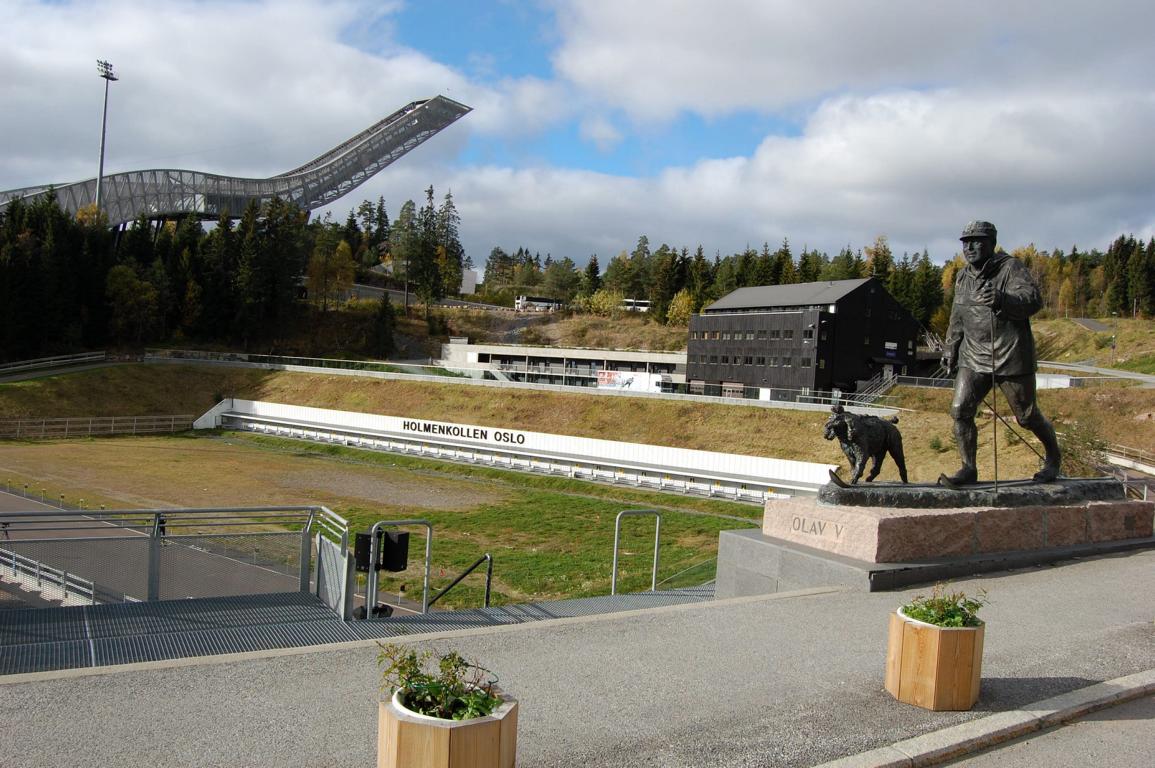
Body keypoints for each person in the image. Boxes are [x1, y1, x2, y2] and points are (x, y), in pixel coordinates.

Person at [941, 220, 1062, 485]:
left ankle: (1053, 458)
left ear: (991, 243)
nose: (970, 247)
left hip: (1010, 354)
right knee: (960, 410)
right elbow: (957, 315)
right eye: (965, 242)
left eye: (976, 241)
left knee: (1027, 416)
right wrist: (951, 346)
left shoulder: (1011, 268)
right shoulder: (962, 276)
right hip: (973, 355)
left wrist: (1002, 299)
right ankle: (968, 468)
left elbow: (1033, 301)